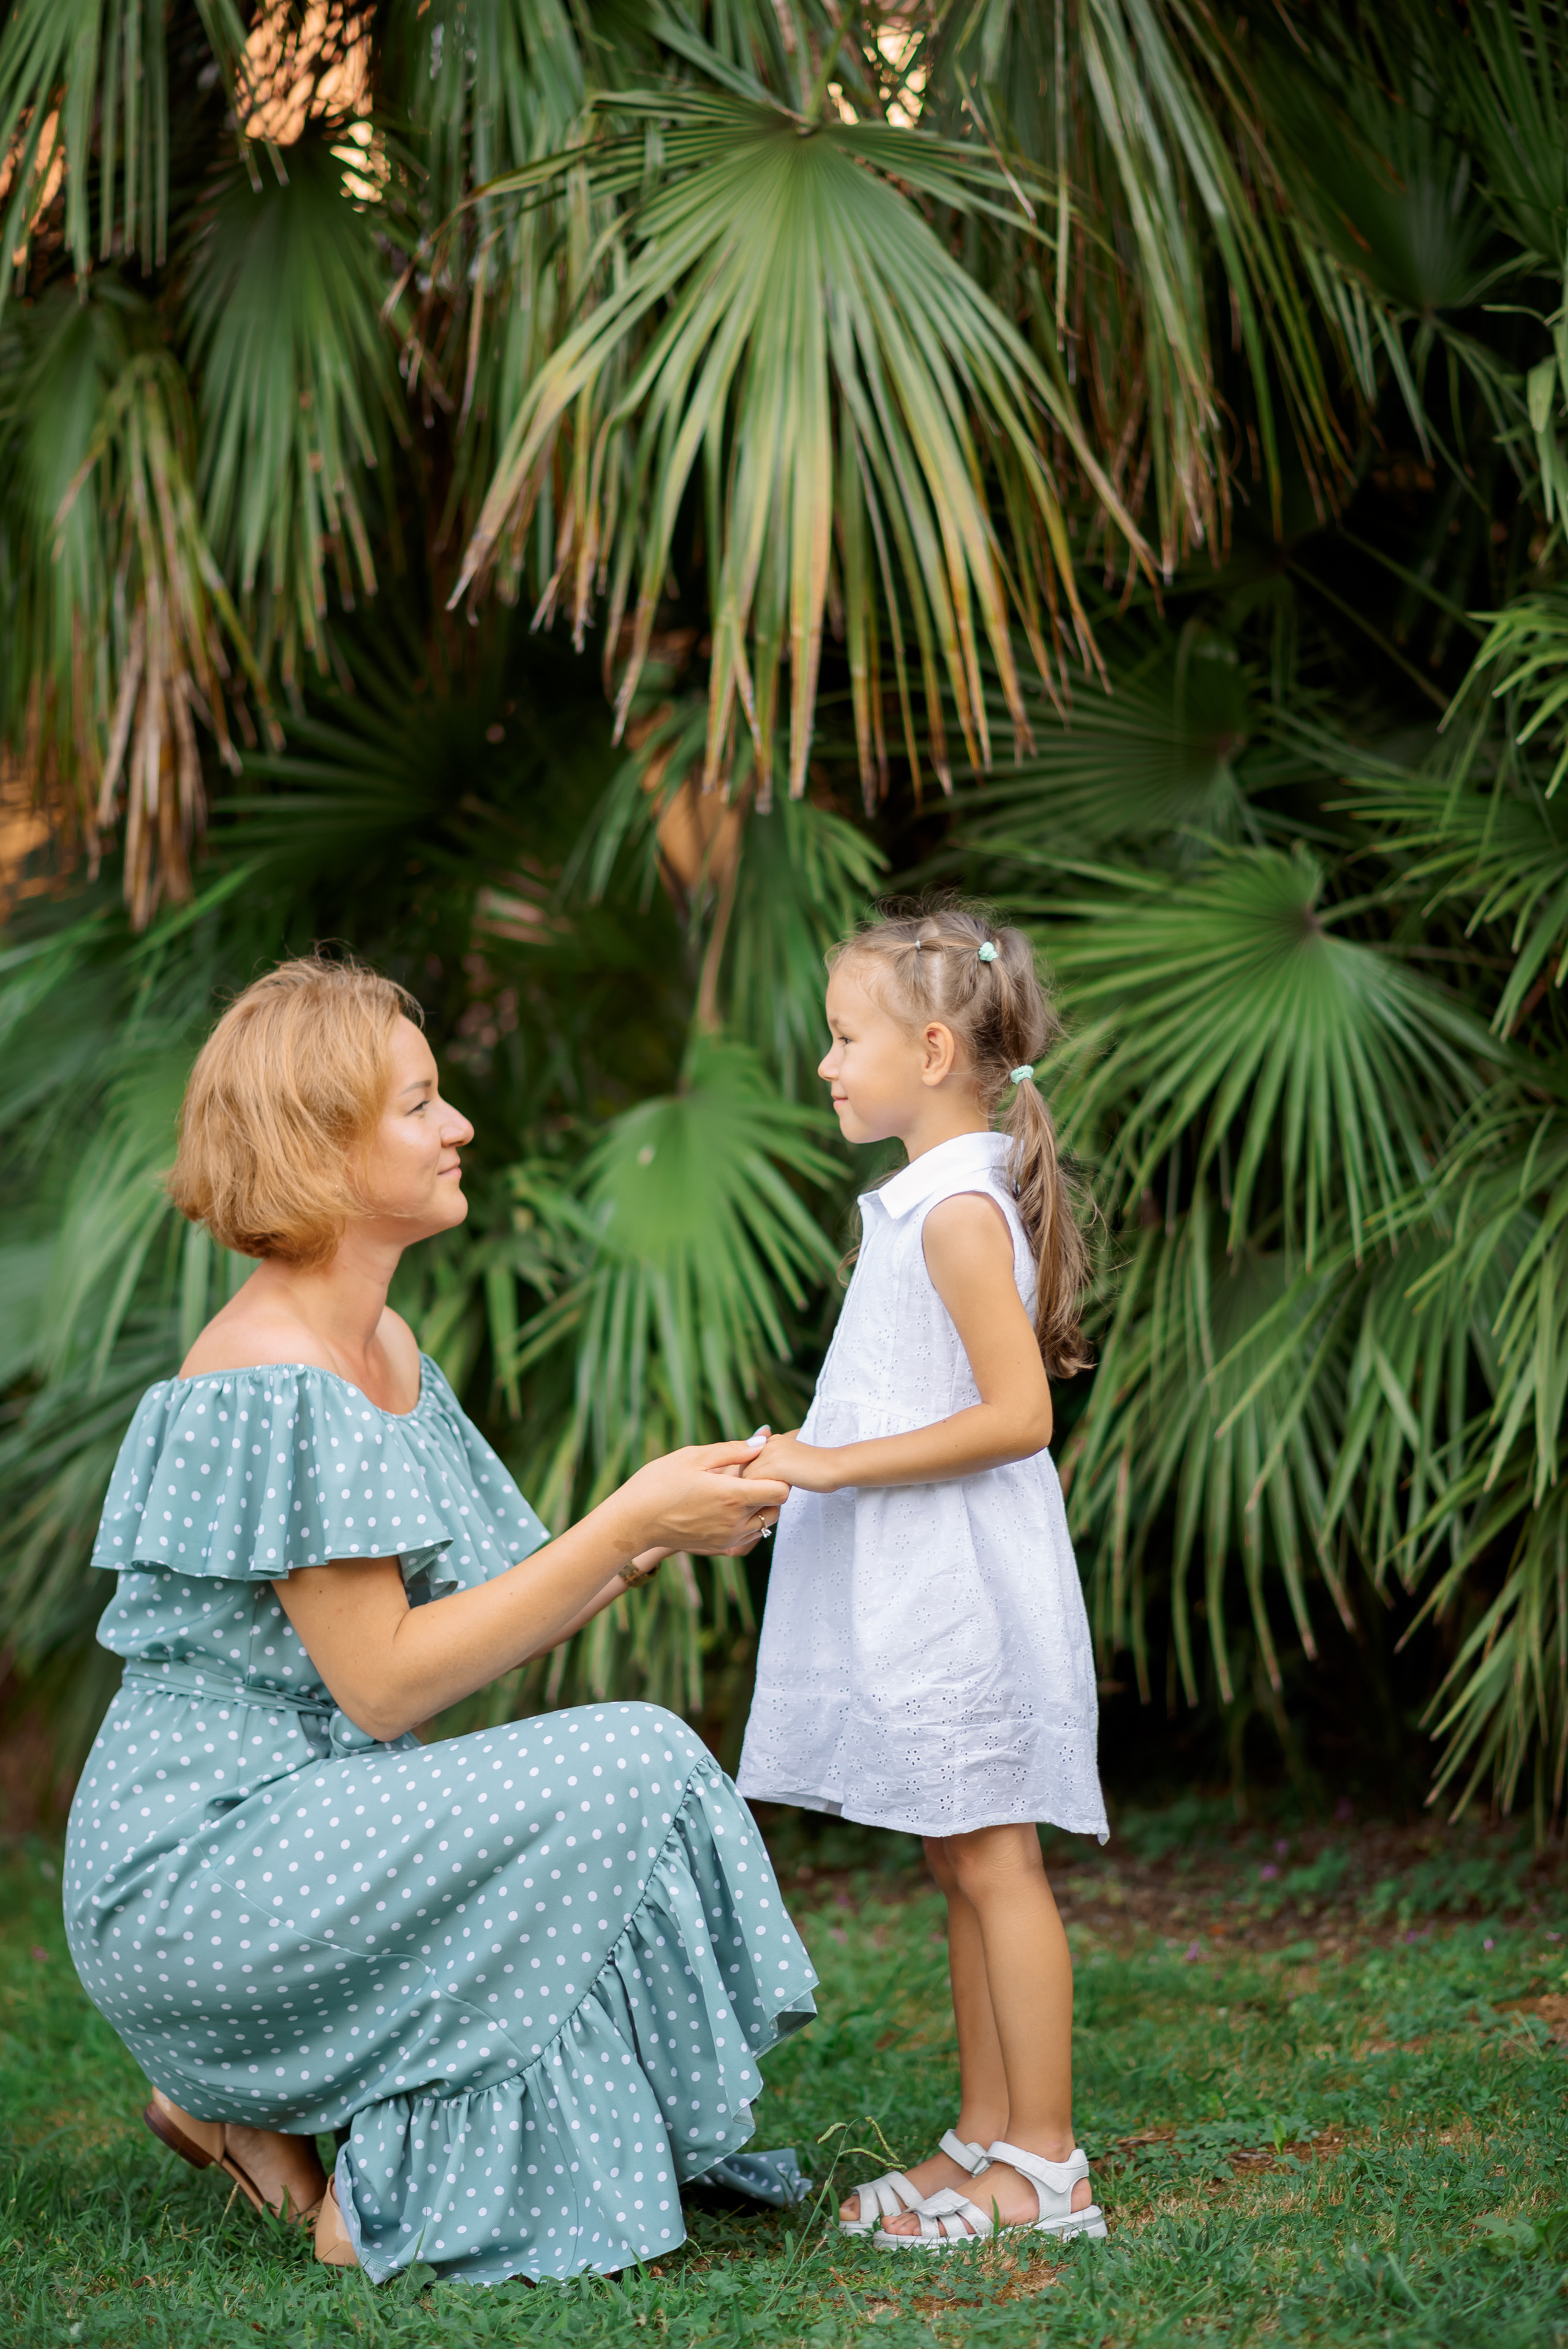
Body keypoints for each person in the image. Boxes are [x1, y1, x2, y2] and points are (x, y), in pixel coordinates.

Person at [62, 956, 816, 2287]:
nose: (457, 1124)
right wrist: (624, 1521)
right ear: (322, 1148)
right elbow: (389, 1688)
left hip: (311, 1824)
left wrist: (661, 1527)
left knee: (605, 1784)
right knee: (633, 1757)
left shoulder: (384, 1344)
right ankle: (378, 2185)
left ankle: (239, 2113)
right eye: (419, 1104)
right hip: (201, 1872)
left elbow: (468, 1622)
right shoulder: (273, 1375)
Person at [737, 903, 1109, 2250]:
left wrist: (831, 1466)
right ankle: (984, 2133)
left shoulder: (953, 1213)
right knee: (959, 1857)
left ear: (936, 1046)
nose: (826, 1066)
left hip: (959, 1589)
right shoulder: (923, 1202)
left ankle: (1049, 2168)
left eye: (844, 1040)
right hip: (926, 1579)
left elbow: (1019, 1417)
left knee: (995, 1859)